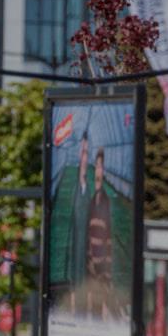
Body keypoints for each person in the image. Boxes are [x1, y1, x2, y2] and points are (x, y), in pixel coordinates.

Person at [86, 148, 113, 317]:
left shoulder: (106, 201)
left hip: (102, 267)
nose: (98, 170)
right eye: (97, 166)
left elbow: (108, 237)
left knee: (99, 310)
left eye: (101, 166)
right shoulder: (91, 197)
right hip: (90, 264)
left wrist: (105, 270)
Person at [69, 131, 92, 315]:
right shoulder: (71, 185)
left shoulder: (92, 184)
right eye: (83, 152)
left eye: (87, 153)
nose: (85, 157)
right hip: (76, 245)